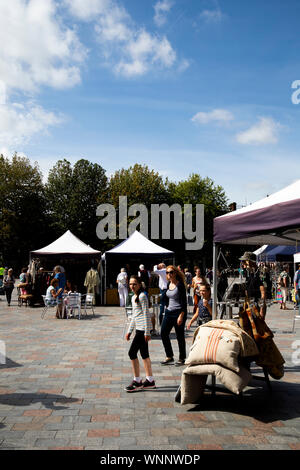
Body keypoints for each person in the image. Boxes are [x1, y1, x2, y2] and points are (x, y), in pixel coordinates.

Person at [125, 275, 156, 392]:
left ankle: (137, 381)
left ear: (139, 284)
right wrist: (129, 331)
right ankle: (150, 380)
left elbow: (146, 314)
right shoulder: (134, 297)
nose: (132, 286)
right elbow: (134, 316)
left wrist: (147, 332)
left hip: (143, 330)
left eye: (134, 284)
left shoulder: (142, 296)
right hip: (138, 329)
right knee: (144, 355)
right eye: (130, 284)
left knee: (132, 353)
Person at [160, 265, 187, 367]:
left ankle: (182, 358)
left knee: (179, 336)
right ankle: (169, 356)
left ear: (175, 273)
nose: (169, 274)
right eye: (167, 273)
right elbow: (167, 298)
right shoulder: (168, 284)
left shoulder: (180, 285)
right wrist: (166, 307)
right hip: (169, 312)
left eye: (171, 272)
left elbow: (184, 302)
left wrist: (181, 315)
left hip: (178, 312)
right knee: (163, 333)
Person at [239, 252, 266, 319]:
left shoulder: (259, 274)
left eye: (244, 261)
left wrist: (262, 309)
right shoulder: (249, 272)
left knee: (257, 327)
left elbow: (263, 293)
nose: (242, 263)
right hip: (250, 304)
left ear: (249, 262)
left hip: (257, 305)